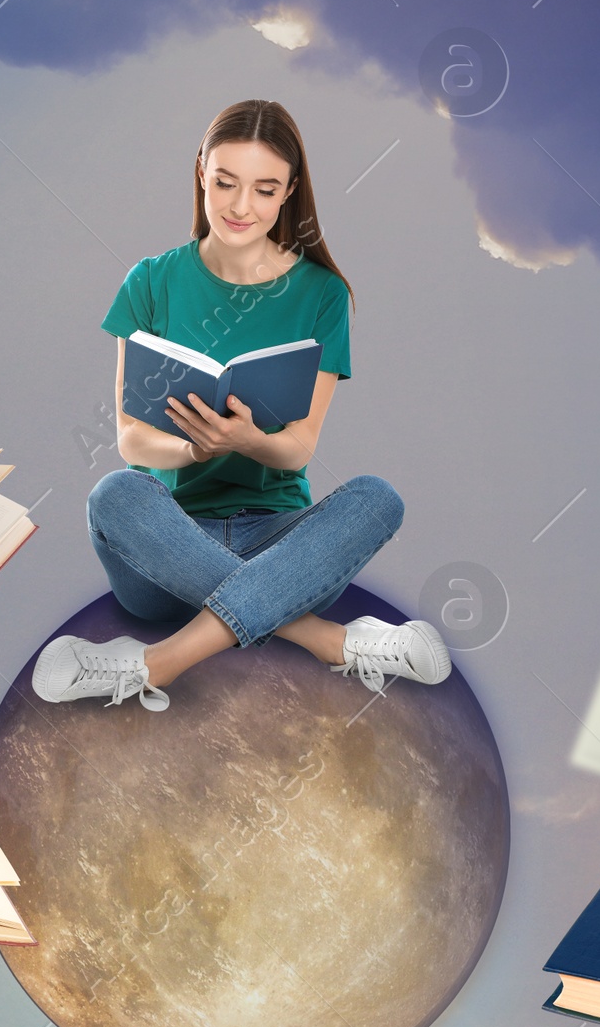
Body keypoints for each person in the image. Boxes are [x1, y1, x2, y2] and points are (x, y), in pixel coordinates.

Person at [32, 98, 447, 712]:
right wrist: (191, 448)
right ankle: (331, 642)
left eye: (264, 189)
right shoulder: (149, 281)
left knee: (377, 499)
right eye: (225, 182)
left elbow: (298, 449)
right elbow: (129, 438)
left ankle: (156, 663)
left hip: (279, 537)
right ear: (201, 171)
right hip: (167, 544)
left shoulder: (322, 294)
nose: (240, 206)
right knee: (114, 494)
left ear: (289, 193)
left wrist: (246, 441)